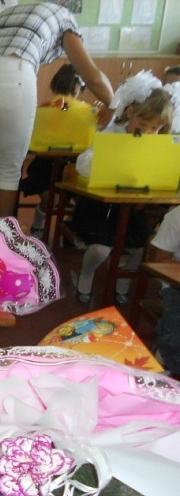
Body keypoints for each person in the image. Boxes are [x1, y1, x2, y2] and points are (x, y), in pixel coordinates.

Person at [0, 2, 114, 219]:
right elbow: (93, 77)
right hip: (10, 73)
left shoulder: (11, 12)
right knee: (7, 170)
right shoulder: (65, 18)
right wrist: (114, 105)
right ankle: (1, 238)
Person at [72, 72, 176, 304]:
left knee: (143, 246)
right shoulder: (111, 133)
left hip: (133, 207)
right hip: (100, 207)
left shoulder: (158, 145)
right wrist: (107, 158)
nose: (147, 132)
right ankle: (87, 274)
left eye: (154, 128)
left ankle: (124, 280)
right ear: (130, 113)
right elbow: (83, 166)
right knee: (100, 249)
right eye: (143, 125)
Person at [19, 63, 91, 235]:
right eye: (63, 92)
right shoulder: (48, 108)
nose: (68, 98)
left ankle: (70, 228)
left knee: (81, 199)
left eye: (73, 93)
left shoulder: (84, 111)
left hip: (72, 164)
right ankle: (38, 224)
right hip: (46, 165)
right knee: (51, 200)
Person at [148, 205, 180, 376]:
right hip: (175, 283)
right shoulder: (177, 216)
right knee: (175, 338)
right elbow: (161, 259)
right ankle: (163, 359)